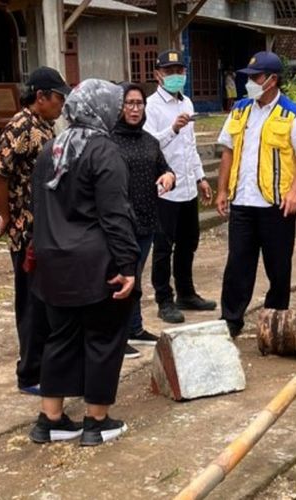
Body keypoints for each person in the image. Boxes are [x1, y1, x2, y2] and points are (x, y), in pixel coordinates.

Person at [29, 79, 139, 446]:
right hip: (95, 263)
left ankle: (51, 420)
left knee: (59, 338)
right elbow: (115, 214)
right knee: (104, 338)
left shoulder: (50, 150)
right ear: (103, 110)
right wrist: (127, 266)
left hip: (52, 262)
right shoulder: (102, 150)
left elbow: (40, 210)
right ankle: (97, 421)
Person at [215, 51, 296, 337]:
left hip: (275, 204)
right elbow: (227, 152)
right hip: (243, 203)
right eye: (249, 77)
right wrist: (222, 190)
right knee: (237, 265)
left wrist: (295, 192)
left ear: (272, 80)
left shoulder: (292, 114)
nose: (250, 82)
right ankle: (230, 321)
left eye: (255, 77)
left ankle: (275, 322)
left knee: (278, 267)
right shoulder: (240, 109)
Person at [0, 66, 70, 395]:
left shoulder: (44, 125)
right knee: (32, 304)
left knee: (46, 301)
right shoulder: (22, 126)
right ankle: (30, 373)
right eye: (58, 97)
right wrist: (6, 215)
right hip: (29, 232)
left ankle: (44, 367)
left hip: (47, 228)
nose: (62, 103)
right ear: (41, 97)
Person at [144, 49, 216, 324]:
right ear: (158, 74)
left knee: (189, 242)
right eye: (169, 71)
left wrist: (201, 178)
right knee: (163, 246)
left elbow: (191, 147)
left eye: (179, 71)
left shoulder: (187, 102)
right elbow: (149, 146)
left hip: (187, 186)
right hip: (165, 187)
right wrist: (172, 129)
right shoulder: (152, 107)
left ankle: (186, 291)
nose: (175, 76)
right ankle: (164, 298)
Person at [111, 83, 175, 359]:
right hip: (120, 223)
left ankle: (135, 327)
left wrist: (169, 177)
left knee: (136, 277)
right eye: (129, 103)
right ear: (120, 107)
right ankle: (117, 335)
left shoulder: (150, 141)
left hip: (147, 220)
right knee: (120, 279)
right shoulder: (109, 140)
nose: (135, 109)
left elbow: (165, 169)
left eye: (139, 104)